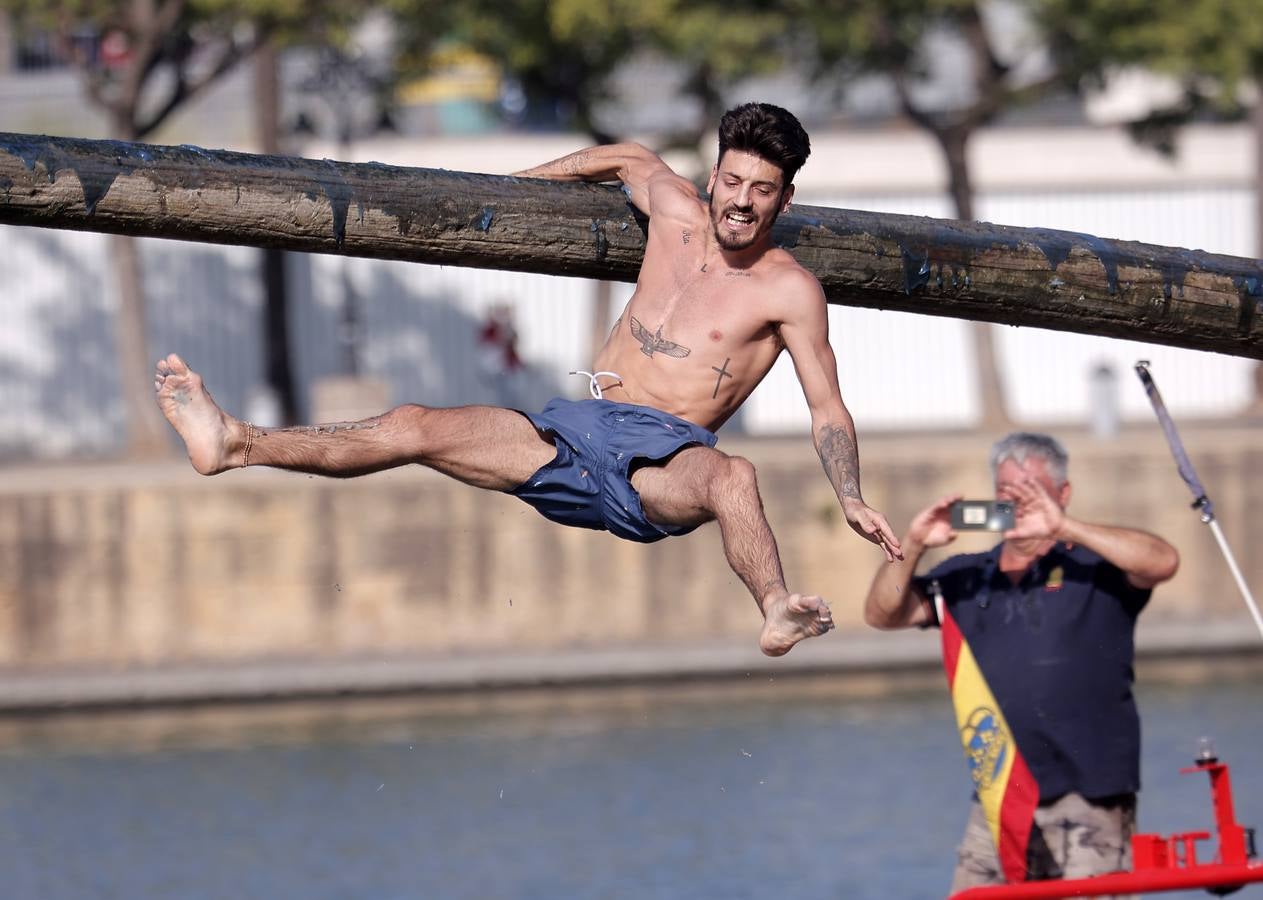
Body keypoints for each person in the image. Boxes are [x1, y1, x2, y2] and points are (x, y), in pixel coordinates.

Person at [154, 102, 901, 658]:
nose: (740, 201)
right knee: (415, 423)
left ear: (785, 200)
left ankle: (774, 608)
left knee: (732, 476)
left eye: (761, 190)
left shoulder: (787, 289)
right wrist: (503, 190)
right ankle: (234, 444)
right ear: (712, 175)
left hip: (662, 464)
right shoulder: (674, 207)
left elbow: (825, 405)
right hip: (573, 434)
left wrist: (851, 496)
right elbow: (620, 159)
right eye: (732, 180)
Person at [863, 432, 1179, 891]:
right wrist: (913, 544)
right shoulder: (967, 575)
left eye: (1032, 492)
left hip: (1091, 795)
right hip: (999, 796)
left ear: (1062, 494)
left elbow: (1163, 561)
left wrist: (1063, 528)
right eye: (1009, 494)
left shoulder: (1097, 564)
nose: (1019, 504)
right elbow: (882, 615)